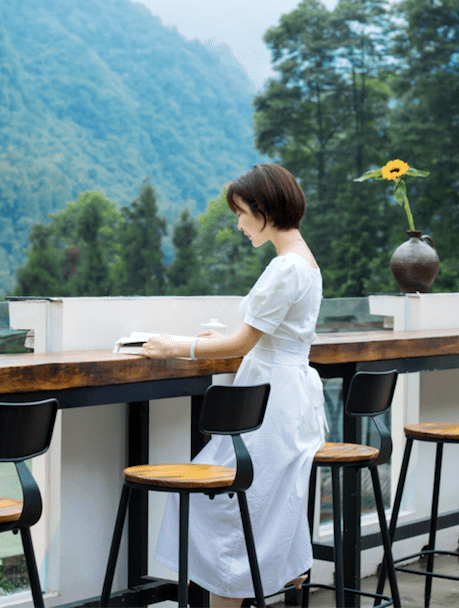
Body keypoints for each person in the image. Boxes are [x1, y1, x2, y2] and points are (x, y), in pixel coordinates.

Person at [140, 163, 326, 608]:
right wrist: (215, 340)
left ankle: (240, 591)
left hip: (269, 402)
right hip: (288, 396)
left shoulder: (285, 269)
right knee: (252, 505)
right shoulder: (304, 262)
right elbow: (265, 336)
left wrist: (176, 345)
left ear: (265, 209)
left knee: (229, 505)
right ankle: (280, 572)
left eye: (242, 212)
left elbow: (245, 342)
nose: (239, 223)